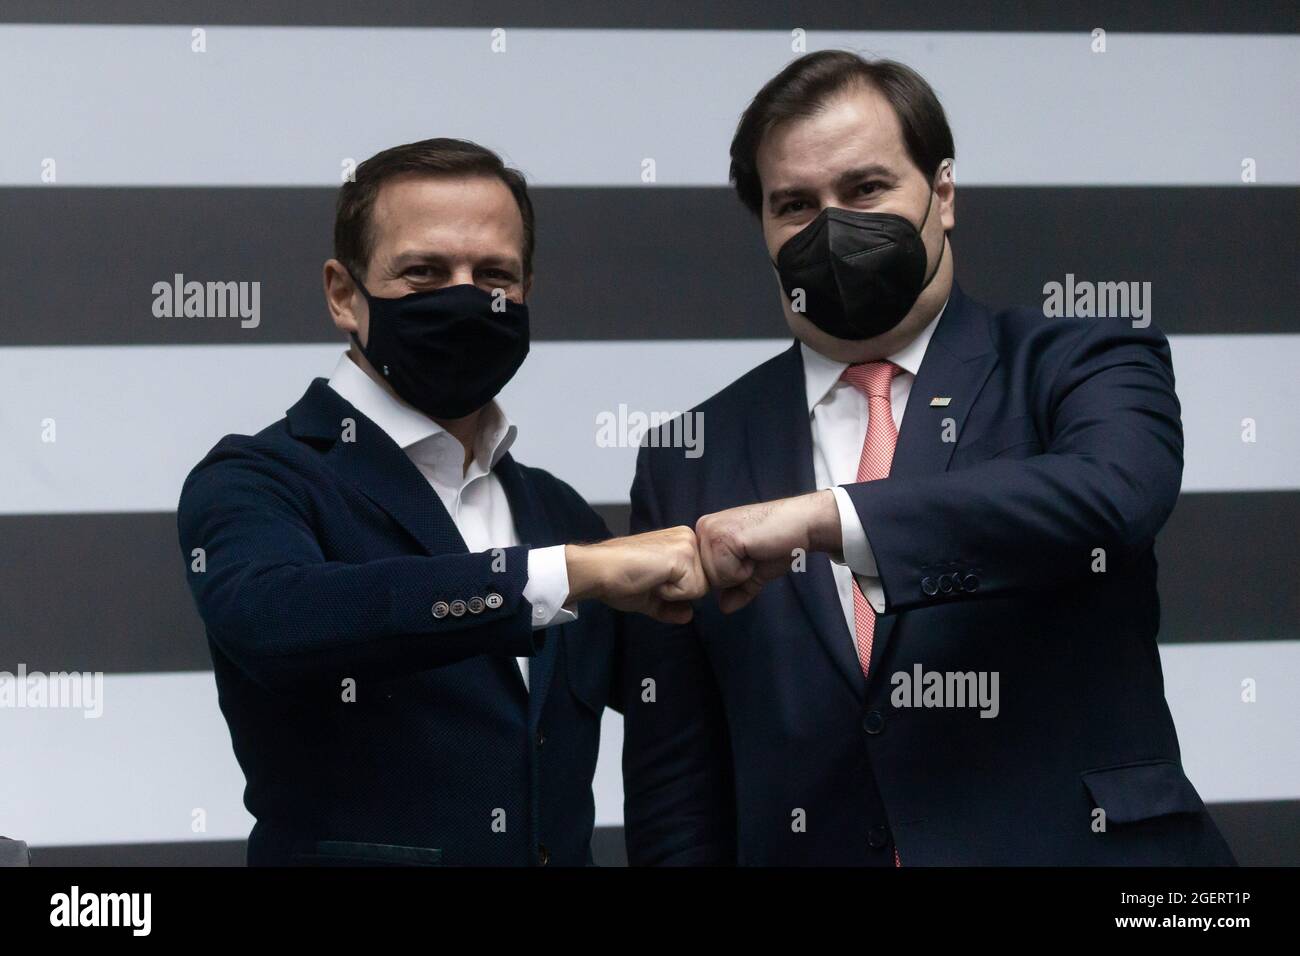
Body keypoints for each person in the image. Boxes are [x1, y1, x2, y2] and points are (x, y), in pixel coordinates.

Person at [621, 52, 1235, 866]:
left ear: (942, 194)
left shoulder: (1083, 360)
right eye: (795, 205)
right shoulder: (685, 455)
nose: (832, 227)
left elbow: (1112, 496)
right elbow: (678, 774)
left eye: (866, 189)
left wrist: (826, 518)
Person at [178, 138, 705, 866]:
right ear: (342, 294)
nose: (466, 297)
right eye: (423, 273)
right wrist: (558, 575)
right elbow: (276, 620)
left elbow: (692, 706)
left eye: (495, 275)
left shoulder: (558, 512)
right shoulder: (260, 478)